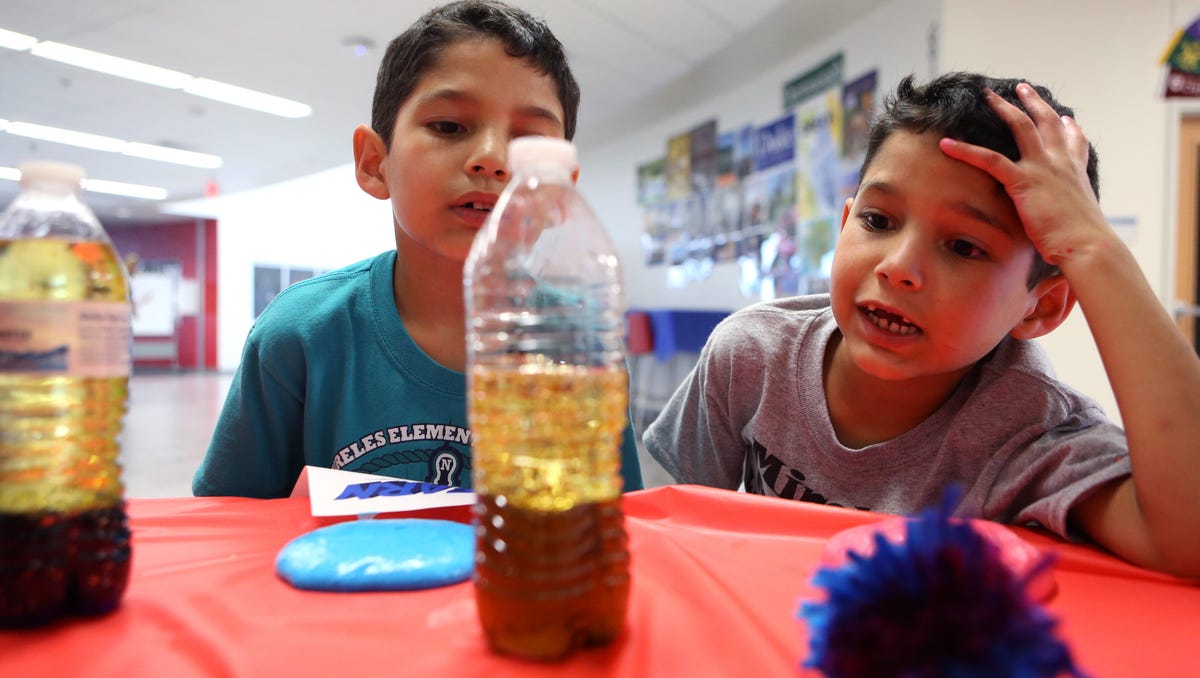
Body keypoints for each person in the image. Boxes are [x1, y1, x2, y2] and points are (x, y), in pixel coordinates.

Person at [644, 71, 1200, 577]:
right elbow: (675, 533)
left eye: (963, 246)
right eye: (878, 220)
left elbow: (1188, 539)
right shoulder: (751, 353)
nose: (899, 267)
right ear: (845, 224)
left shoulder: (1029, 435)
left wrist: (1091, 246)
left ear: (1041, 305)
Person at [194, 0, 643, 498]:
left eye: (527, 141)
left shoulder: (578, 350)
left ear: (559, 189)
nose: (492, 159)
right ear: (374, 162)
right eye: (449, 126)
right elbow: (226, 529)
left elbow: (610, 527)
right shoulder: (299, 335)